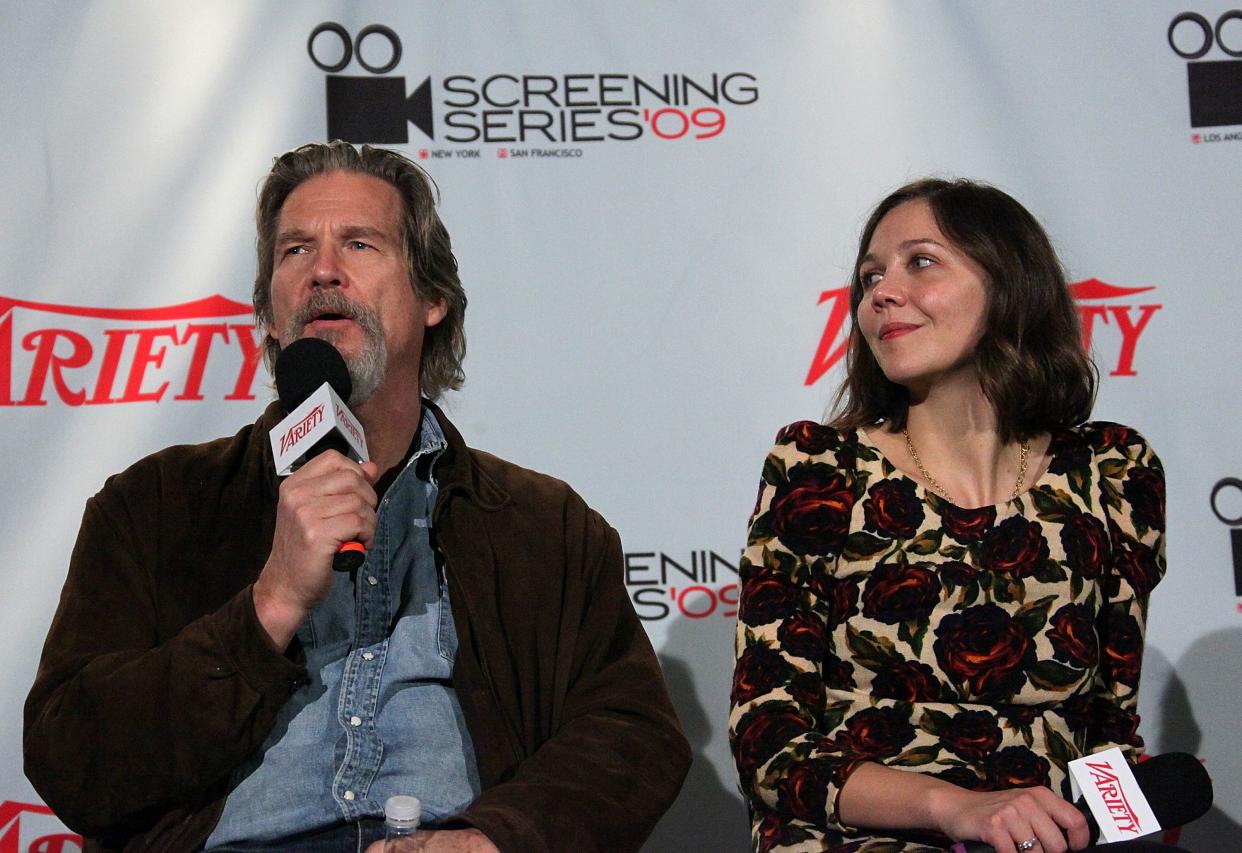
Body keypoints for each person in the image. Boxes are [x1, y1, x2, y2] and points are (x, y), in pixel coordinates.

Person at [25, 141, 690, 853]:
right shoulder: (155, 507)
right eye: (294, 251)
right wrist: (269, 605)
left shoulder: (545, 527)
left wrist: (493, 838)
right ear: (271, 316)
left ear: (433, 297)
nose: (322, 271)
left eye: (360, 243)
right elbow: (71, 756)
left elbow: (632, 729)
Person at [729, 179, 1172, 853]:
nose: (881, 291)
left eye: (921, 261)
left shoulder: (1111, 470)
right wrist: (958, 807)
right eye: (870, 275)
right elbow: (770, 744)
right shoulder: (819, 468)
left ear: (1009, 281)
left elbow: (1106, 731)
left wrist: (1127, 818)